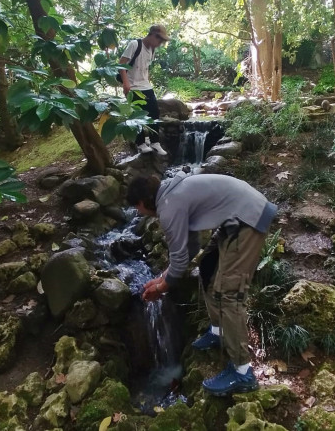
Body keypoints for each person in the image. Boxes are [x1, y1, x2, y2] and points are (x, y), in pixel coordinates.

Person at [126, 172, 278, 396]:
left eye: (137, 208)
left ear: (142, 201)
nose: (139, 213)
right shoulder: (170, 195)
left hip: (249, 218)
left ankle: (242, 372)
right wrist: (162, 277)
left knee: (229, 293)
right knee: (207, 267)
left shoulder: (168, 207)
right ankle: (218, 332)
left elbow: (179, 263)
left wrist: (160, 288)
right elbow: (191, 248)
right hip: (236, 216)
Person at [119, 25, 169, 156]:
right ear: (152, 35)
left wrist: (147, 80)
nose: (159, 44)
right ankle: (140, 143)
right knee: (137, 115)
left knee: (154, 113)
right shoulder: (135, 45)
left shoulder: (152, 50)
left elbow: (145, 68)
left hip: (146, 86)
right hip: (133, 87)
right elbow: (121, 64)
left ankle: (155, 142)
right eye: (159, 40)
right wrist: (126, 83)